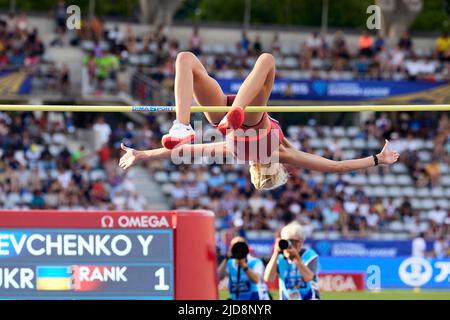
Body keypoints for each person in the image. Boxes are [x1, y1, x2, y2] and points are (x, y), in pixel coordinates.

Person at [119, 52, 400, 191]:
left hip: (243, 118)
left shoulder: (278, 152)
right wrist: (142, 154)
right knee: (186, 60)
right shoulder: (234, 152)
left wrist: (379, 158)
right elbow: (177, 151)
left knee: (265, 60)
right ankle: (187, 124)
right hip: (226, 115)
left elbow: (338, 167)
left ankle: (183, 124)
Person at [264, 221, 320, 300]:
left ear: (301, 242)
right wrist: (275, 253)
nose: (293, 244)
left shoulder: (309, 256)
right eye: (289, 241)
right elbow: (268, 278)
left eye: (296, 241)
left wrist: (296, 258)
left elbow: (309, 277)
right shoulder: (280, 258)